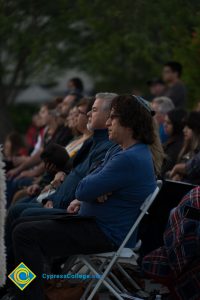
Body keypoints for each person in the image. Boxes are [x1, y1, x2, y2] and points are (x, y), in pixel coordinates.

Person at [6, 95, 163, 300]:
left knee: (24, 234)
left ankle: (27, 293)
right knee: (23, 223)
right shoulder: (126, 152)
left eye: (112, 118)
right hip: (94, 223)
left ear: (129, 123)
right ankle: (20, 286)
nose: (107, 122)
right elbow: (89, 186)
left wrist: (92, 191)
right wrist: (94, 192)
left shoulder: (128, 158)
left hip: (104, 232)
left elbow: (82, 188)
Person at [168, 111, 200, 183]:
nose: (184, 130)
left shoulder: (197, 152)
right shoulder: (186, 148)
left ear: (196, 130)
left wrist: (177, 168)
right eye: (184, 126)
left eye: (188, 127)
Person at [161, 109, 187, 176]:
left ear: (177, 124)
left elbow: (164, 170)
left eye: (168, 123)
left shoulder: (177, 146)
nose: (164, 125)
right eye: (164, 122)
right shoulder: (171, 142)